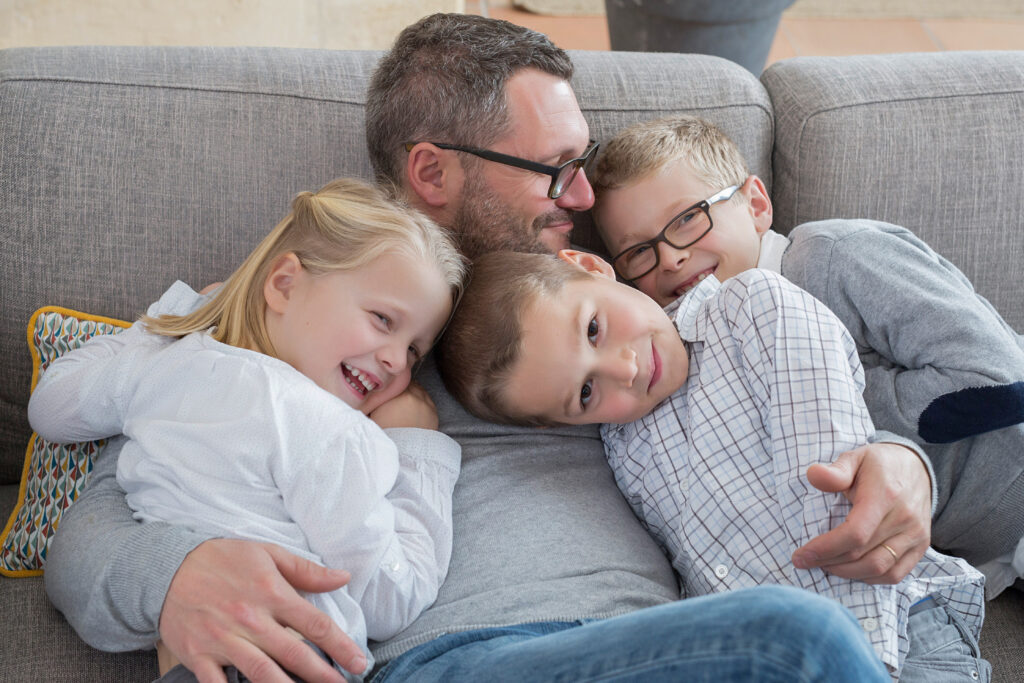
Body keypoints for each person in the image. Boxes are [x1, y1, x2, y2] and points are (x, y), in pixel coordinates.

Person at [44, 14, 929, 683]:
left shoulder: (620, 297)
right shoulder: (317, 314)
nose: (583, 195)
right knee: (795, 639)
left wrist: (900, 464)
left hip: (663, 646)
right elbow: (96, 519)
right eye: (554, 169)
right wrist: (177, 572)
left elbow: (801, 394)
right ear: (432, 172)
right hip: (470, 653)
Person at [436, 249, 988, 681]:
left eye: (594, 329)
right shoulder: (620, 445)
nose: (625, 369)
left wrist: (865, 664)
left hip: (897, 635)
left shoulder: (753, 308)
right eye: (585, 392)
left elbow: (837, 509)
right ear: (563, 424)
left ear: (590, 265)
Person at [30, 178, 466, 681]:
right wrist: (416, 448)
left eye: (414, 351)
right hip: (289, 655)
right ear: (283, 284)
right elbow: (394, 597)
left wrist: (174, 322)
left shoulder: (167, 365)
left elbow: (52, 408)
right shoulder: (330, 432)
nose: (396, 361)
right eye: (383, 319)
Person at [589, 113, 1024, 599]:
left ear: (756, 205)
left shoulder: (832, 256)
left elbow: (999, 379)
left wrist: (823, 392)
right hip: (972, 559)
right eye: (639, 251)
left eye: (688, 218)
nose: (670, 258)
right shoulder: (690, 355)